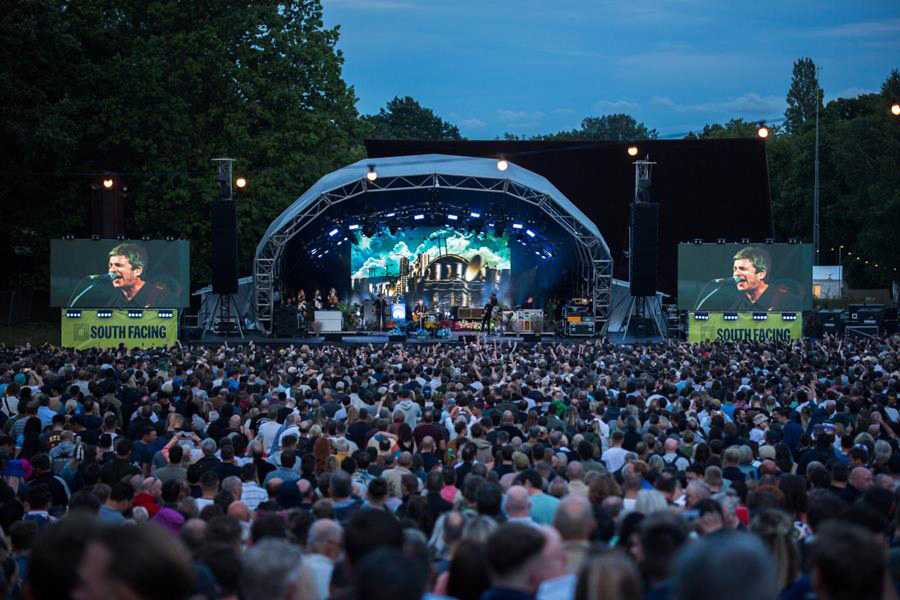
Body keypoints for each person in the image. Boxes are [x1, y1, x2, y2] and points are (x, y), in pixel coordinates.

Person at [78, 243, 175, 308]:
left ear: (137, 270)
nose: (112, 270)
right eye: (110, 265)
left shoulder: (161, 297)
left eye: (118, 265)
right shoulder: (114, 300)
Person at [722, 246, 800, 311]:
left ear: (761, 274)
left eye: (742, 269)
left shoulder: (787, 301)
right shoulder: (738, 305)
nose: (736, 274)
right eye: (735, 269)